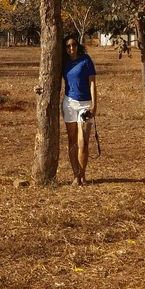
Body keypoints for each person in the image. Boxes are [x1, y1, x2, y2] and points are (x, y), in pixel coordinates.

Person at [62, 34, 97, 186]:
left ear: (78, 45)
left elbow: (93, 83)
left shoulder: (86, 60)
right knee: (72, 141)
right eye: (68, 46)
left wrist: (94, 106)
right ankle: (76, 175)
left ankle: (83, 175)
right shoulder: (63, 63)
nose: (71, 48)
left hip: (85, 104)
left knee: (83, 142)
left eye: (74, 45)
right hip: (69, 104)